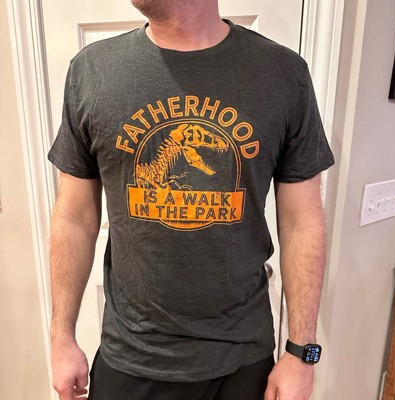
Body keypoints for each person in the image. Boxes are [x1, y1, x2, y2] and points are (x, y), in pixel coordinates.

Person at [48, 0, 335, 399]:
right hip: (130, 358)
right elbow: (74, 217)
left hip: (242, 361)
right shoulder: (91, 70)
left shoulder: (284, 73)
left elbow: (302, 222)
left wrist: (302, 354)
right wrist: (61, 337)